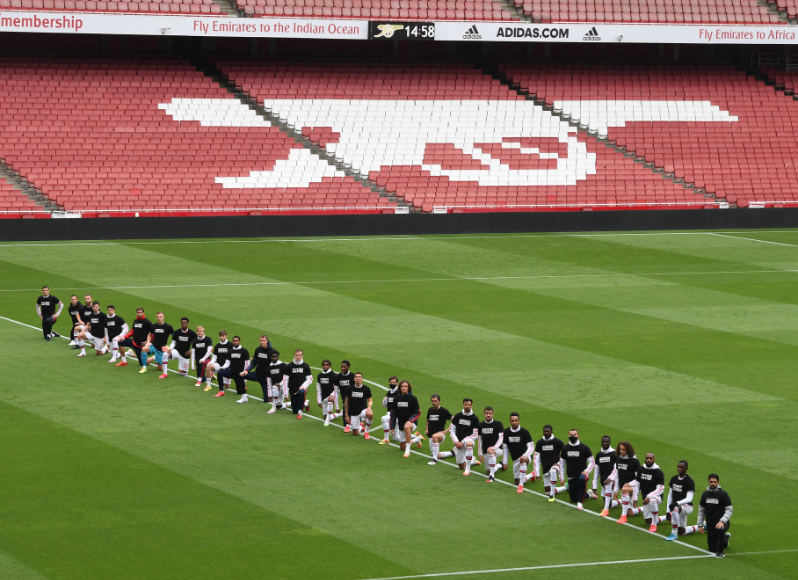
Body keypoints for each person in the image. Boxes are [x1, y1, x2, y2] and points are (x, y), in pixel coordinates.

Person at [438, 398, 479, 475]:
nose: (467, 406)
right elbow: (452, 430)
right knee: (461, 466)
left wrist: (463, 442)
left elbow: (475, 434)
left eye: (469, 405)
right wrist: (456, 442)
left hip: (468, 441)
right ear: (463, 405)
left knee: (469, 444)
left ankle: (468, 469)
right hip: (458, 442)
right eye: (466, 405)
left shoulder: (475, 419)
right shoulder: (458, 416)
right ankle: (472, 460)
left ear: (471, 406)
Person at [625, 452, 665, 532]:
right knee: (648, 522)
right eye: (647, 458)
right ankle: (667, 516)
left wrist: (649, 497)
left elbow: (660, 489)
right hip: (645, 498)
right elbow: (637, 485)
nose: (648, 460)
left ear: (654, 459)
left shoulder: (658, 472)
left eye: (650, 458)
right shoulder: (641, 470)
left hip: (656, 497)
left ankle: (654, 525)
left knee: (652, 501)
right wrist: (635, 499)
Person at [697, 473, 733, 557]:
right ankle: (725, 539)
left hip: (723, 523)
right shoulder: (705, 494)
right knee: (712, 549)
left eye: (715, 482)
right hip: (710, 524)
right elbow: (701, 510)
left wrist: (722, 521)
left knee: (719, 528)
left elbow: (729, 510)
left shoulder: (723, 494)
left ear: (718, 482)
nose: (713, 483)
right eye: (711, 481)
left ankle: (721, 552)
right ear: (708, 482)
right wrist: (700, 524)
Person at [559, 429, 594, 510]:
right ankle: (588, 494)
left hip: (582, 474)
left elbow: (592, 462)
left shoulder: (584, 448)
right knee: (573, 499)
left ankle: (580, 502)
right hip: (571, 475)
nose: (572, 436)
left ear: (578, 436)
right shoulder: (565, 448)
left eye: (574, 435)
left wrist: (587, 471)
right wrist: (562, 477)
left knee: (582, 479)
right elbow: (562, 464)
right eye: (571, 435)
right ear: (568, 436)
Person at [501, 412, 534, 493]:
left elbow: (531, 446)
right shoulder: (507, 432)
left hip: (526, 457)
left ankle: (521, 486)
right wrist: (505, 462)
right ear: (510, 422)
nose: (514, 422)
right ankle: (532, 474)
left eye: (516, 420)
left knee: (522, 461)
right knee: (516, 481)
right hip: (515, 459)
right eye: (512, 421)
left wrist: (525, 456)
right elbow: (505, 448)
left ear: (519, 421)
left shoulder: (525, 432)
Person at [389, 380, 422, 457]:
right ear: (400, 388)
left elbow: (417, 412)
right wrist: (392, 427)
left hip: (412, 423)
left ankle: (407, 452)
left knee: (407, 427)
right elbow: (393, 414)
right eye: (402, 386)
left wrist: (410, 421)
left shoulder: (413, 399)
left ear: (408, 388)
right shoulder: (396, 399)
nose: (404, 388)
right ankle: (416, 439)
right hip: (401, 424)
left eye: (406, 386)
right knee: (402, 447)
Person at [665, 460, 696, 541]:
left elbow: (689, 499)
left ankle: (674, 534)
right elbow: (670, 495)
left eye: (682, 467)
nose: (679, 468)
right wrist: (668, 511)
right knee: (682, 531)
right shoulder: (674, 479)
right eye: (678, 467)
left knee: (675, 509)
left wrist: (676, 503)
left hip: (687, 507)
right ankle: (703, 525)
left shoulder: (689, 482)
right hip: (678, 506)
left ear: (686, 468)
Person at [534, 425, 565, 501]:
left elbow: (565, 453)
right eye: (545, 431)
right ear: (543, 432)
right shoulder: (539, 443)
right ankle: (566, 487)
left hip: (556, 464)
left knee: (553, 471)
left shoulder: (558, 442)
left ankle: (552, 495)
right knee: (547, 492)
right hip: (545, 467)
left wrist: (560, 463)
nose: (546, 433)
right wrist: (537, 473)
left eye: (548, 431)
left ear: (552, 431)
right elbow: (536, 458)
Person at [242, 335, 275, 402]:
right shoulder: (258, 350)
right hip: (257, 375)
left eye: (263, 341)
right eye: (261, 341)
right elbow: (254, 362)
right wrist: (247, 370)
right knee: (241, 375)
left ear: (267, 341)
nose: (262, 342)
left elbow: (275, 367)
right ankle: (244, 396)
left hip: (265, 379)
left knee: (267, 400)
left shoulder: (272, 352)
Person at [215, 335, 249, 402]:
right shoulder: (230, 351)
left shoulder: (244, 351)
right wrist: (222, 367)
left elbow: (247, 363)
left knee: (239, 392)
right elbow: (227, 363)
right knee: (220, 373)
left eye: (236, 341)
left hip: (240, 374)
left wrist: (245, 373)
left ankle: (243, 385)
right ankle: (221, 391)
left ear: (239, 341)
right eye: (234, 341)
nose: (235, 342)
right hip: (231, 372)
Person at [615, 441, 641, 524]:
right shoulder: (618, 459)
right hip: (623, 487)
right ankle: (647, 507)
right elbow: (617, 476)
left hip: (633, 487)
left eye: (624, 449)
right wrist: (615, 490)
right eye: (620, 449)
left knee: (624, 489)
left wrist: (630, 483)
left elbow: (639, 479)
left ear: (628, 450)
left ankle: (623, 516)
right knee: (630, 513)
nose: (621, 451)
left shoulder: (635, 461)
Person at [592, 436, 619, 516]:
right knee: (608, 504)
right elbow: (596, 471)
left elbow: (616, 468)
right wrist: (594, 486)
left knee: (608, 484)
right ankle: (620, 501)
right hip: (603, 480)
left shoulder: (614, 454)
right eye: (603, 441)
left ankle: (606, 510)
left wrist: (610, 478)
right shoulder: (599, 455)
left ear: (610, 442)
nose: (604, 443)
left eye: (606, 441)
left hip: (612, 480)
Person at [143, 311, 174, 378]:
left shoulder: (168, 327)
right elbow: (149, 334)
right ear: (156, 317)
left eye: (160, 317)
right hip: (153, 346)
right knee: (144, 349)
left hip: (161, 349)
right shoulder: (154, 326)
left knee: (160, 369)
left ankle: (154, 357)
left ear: (163, 317)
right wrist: (148, 342)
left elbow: (174, 336)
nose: (159, 318)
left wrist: (171, 346)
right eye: (158, 317)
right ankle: (144, 367)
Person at [478, 406, 504, 483]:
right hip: (486, 451)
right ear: (484, 414)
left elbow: (501, 438)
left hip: (498, 449)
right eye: (486, 413)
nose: (488, 415)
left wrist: (493, 448)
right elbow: (480, 439)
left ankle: (492, 476)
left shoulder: (498, 424)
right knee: (488, 470)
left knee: (491, 452)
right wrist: (479, 453)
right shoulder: (480, 425)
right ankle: (500, 465)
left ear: (493, 414)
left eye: (490, 413)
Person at [425, 393, 453, 466]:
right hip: (431, 435)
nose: (433, 403)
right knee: (435, 453)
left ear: (439, 401)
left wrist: (446, 431)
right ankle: (452, 452)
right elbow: (427, 420)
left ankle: (434, 460)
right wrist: (427, 429)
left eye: (435, 401)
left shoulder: (444, 411)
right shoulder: (430, 410)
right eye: (432, 401)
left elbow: (454, 420)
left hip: (440, 435)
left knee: (435, 436)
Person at [284, 349, 313, 418]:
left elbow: (310, 378)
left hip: (302, 388)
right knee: (294, 411)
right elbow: (285, 379)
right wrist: (285, 393)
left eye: (300, 355)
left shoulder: (305, 366)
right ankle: (306, 403)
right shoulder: (289, 366)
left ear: (302, 356)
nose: (298, 357)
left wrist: (304, 386)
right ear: (294, 356)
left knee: (301, 392)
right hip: (292, 388)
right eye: (297, 355)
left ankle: (300, 413)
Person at [344, 372, 373, 437]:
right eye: (356, 377)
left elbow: (370, 400)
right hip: (354, 412)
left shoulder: (366, 389)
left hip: (363, 410)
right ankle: (361, 426)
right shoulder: (349, 389)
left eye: (359, 377)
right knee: (355, 433)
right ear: (354, 379)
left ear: (362, 379)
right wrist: (346, 415)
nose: (358, 378)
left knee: (370, 414)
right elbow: (346, 402)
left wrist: (369, 407)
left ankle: (366, 432)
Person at [204, 330, 232, 394]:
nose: (221, 337)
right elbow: (214, 358)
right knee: (208, 366)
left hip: (227, 367)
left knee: (227, 387)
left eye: (223, 336)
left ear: (226, 336)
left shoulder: (230, 345)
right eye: (220, 336)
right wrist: (210, 363)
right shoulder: (217, 346)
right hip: (219, 365)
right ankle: (208, 385)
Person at [317, 359, 340, 426]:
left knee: (327, 418)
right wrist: (319, 400)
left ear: (330, 366)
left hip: (331, 397)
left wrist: (332, 395)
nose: (325, 366)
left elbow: (337, 388)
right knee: (325, 417)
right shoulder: (320, 376)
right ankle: (340, 414)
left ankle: (327, 422)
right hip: (323, 397)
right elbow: (318, 388)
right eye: (324, 365)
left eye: (327, 365)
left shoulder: (333, 375)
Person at [379, 376, 400, 444]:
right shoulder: (389, 392)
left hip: (396, 415)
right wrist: (385, 399)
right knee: (396, 438)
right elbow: (385, 405)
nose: (392, 384)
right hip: (391, 414)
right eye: (391, 382)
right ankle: (416, 437)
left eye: (393, 382)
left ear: (397, 383)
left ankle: (386, 439)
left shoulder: (399, 392)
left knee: (384, 418)